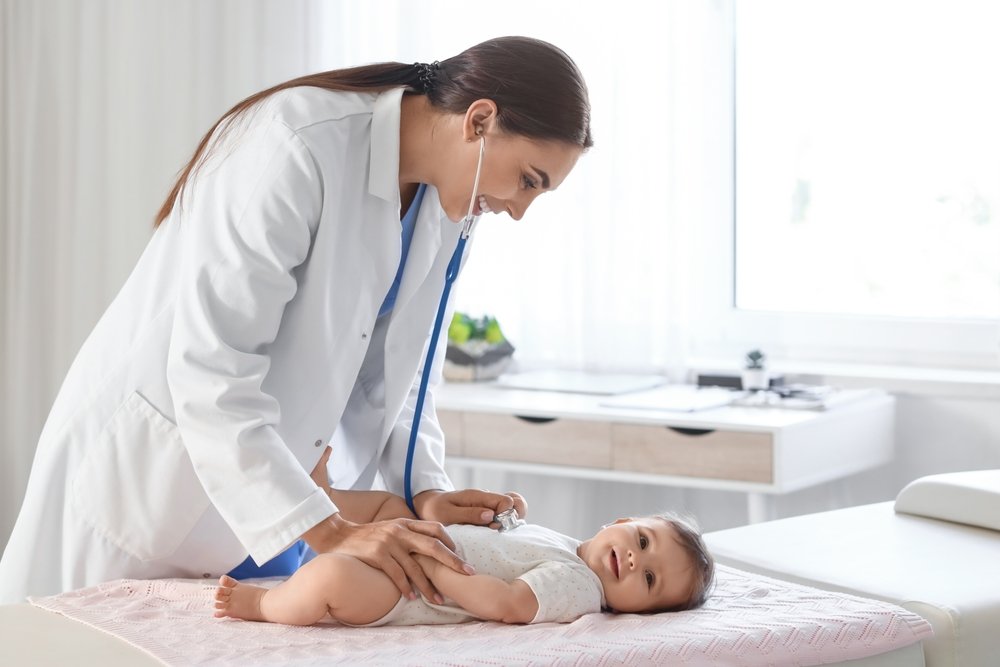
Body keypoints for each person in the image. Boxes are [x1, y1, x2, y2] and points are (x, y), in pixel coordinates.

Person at [0, 36, 592, 604]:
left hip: (266, 500)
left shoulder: (445, 210)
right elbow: (212, 367)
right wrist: (330, 529)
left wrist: (426, 490)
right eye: (528, 180)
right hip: (151, 480)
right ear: (479, 120)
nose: (519, 210)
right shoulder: (297, 142)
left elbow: (402, 374)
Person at [214, 477, 715, 626]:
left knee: (332, 579)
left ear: (642, 612)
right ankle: (320, 502)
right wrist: (505, 517)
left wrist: (434, 564)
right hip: (417, 546)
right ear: (622, 523)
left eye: (649, 580)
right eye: (643, 543)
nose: (633, 562)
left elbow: (507, 603)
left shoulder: (581, 588)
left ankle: (262, 605)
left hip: (408, 590)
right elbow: (506, 550)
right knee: (391, 504)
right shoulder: (565, 546)